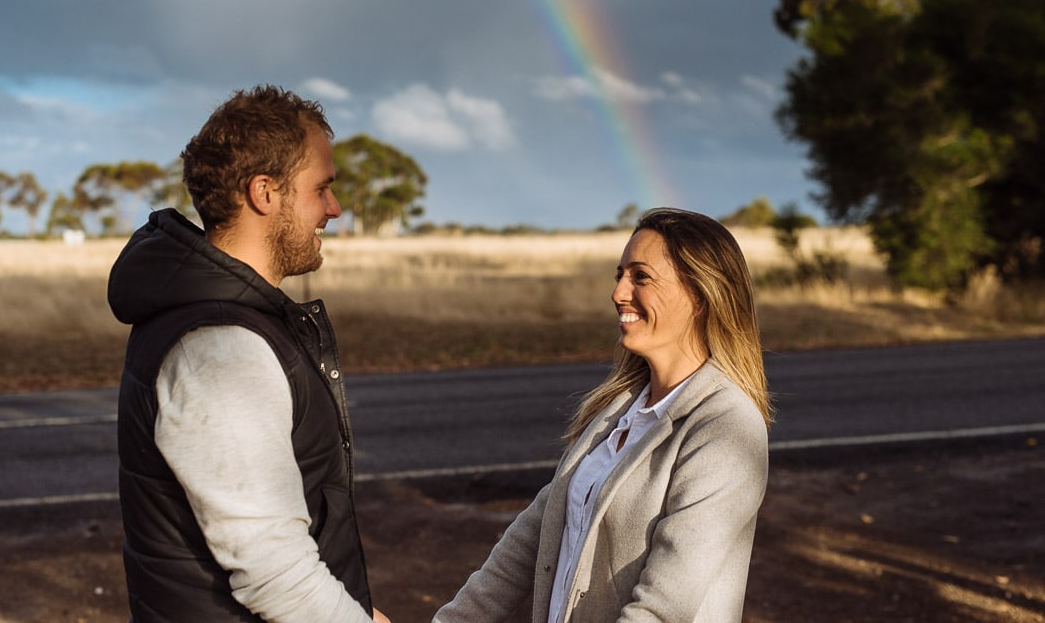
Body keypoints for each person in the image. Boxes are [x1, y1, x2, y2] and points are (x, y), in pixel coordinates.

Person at [108, 85, 389, 623]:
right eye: (321, 189)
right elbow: (273, 571)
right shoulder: (221, 348)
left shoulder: (229, 318)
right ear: (265, 192)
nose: (333, 208)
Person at [434, 208, 773, 623]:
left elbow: (661, 610)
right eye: (620, 275)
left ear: (700, 295)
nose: (618, 293)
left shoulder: (725, 427)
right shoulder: (618, 410)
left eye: (640, 276)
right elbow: (533, 537)